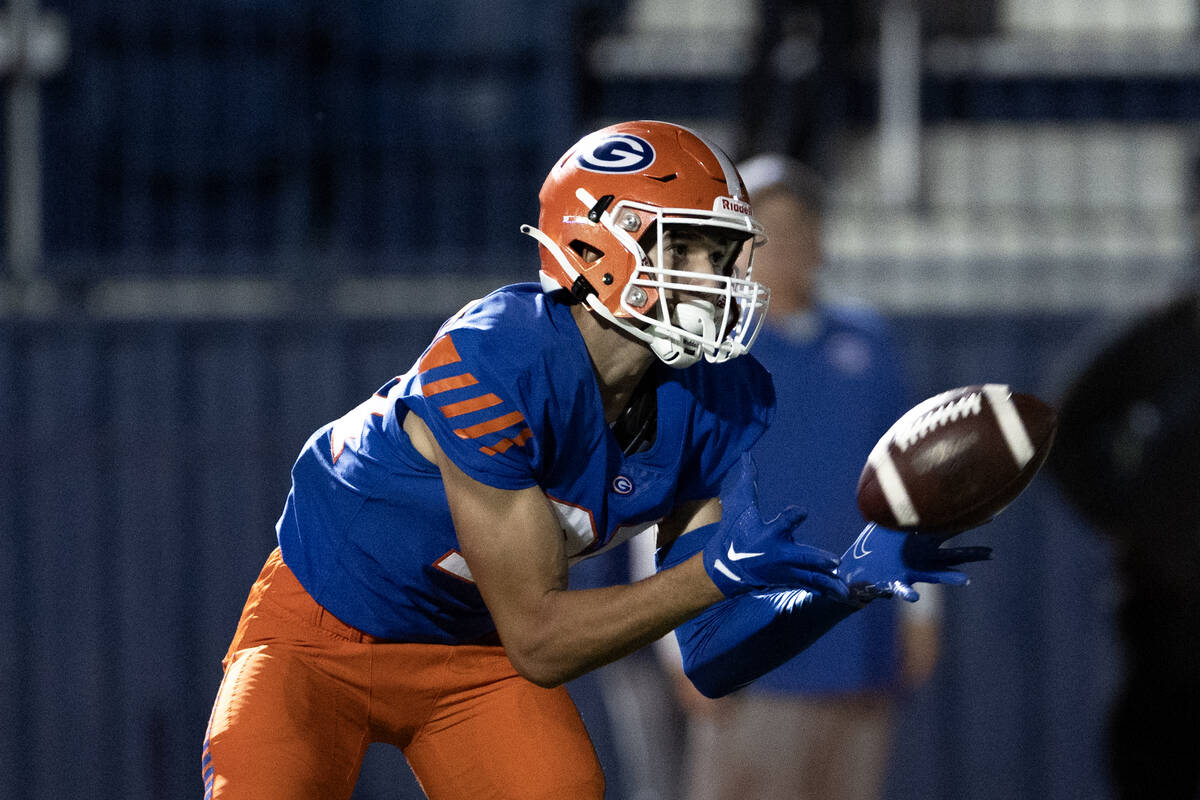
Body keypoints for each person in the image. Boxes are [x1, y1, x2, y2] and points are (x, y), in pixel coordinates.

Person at [201, 120, 989, 800]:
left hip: (471, 649)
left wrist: (839, 586)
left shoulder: (719, 395)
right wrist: (713, 573)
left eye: (726, 253)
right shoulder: (496, 359)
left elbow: (712, 654)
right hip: (322, 632)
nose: (720, 278)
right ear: (595, 246)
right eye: (690, 248)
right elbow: (542, 641)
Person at [662, 153, 939, 800]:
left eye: (795, 226)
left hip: (859, 649)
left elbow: (909, 488)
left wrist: (921, 612)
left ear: (822, 240)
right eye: (764, 229)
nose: (780, 244)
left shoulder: (869, 344)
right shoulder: (701, 357)